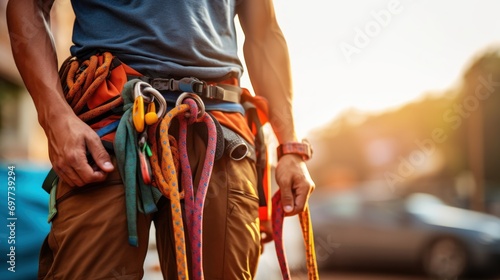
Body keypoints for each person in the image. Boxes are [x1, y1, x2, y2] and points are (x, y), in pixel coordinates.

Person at [7, 0, 315, 279]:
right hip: (110, 128)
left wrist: (290, 147)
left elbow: (264, 32)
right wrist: (55, 119)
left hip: (218, 133)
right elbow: (27, 6)